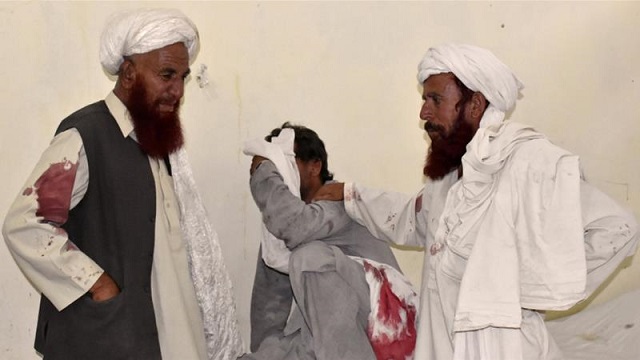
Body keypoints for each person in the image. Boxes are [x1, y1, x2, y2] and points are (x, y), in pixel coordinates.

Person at [313, 43, 639, 360]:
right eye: (425, 99)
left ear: (475, 104)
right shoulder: (450, 177)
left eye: (435, 99)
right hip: (443, 346)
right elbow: (409, 218)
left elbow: (619, 229)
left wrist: (528, 288)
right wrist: (348, 192)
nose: (424, 112)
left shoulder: (527, 162)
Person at [2, 8, 243, 360]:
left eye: (182, 77)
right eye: (166, 75)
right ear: (129, 73)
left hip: (156, 335)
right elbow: (25, 223)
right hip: (103, 338)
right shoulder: (86, 134)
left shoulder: (155, 139)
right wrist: (97, 284)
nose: (177, 90)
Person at [241, 123, 418, 360]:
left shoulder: (337, 202)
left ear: (315, 166)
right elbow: (269, 312)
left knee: (310, 258)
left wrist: (264, 173)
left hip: (385, 329)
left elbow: (295, 225)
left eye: (282, 165)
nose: (279, 177)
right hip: (326, 340)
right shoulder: (280, 236)